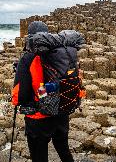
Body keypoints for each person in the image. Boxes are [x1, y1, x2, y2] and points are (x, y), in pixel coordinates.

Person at [12, 21, 75, 162]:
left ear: (29, 37)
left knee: (39, 157)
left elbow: (20, 97)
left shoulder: (27, 58)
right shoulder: (60, 54)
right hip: (61, 113)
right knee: (64, 150)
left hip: (38, 119)